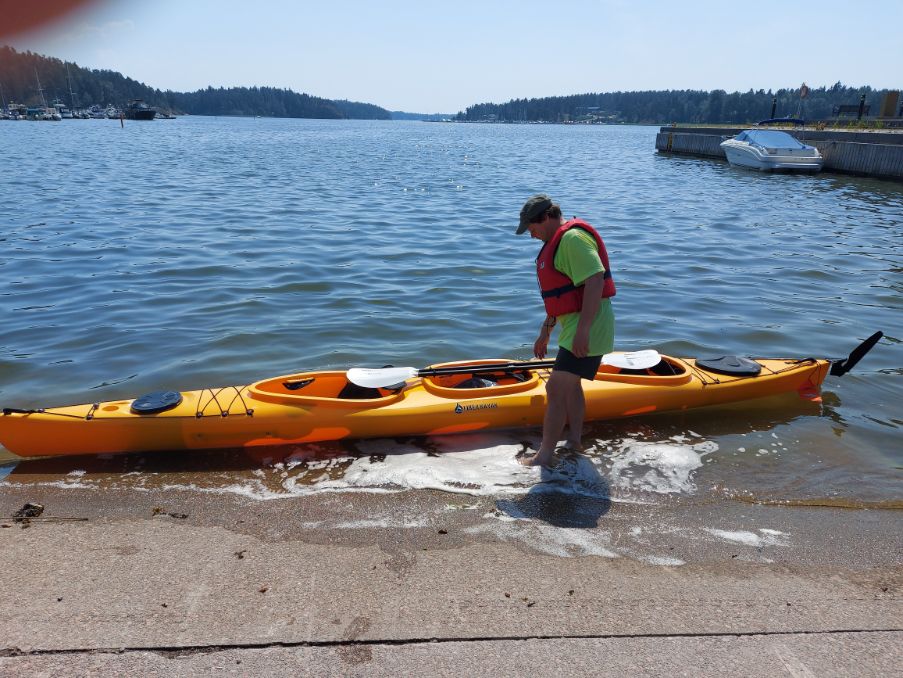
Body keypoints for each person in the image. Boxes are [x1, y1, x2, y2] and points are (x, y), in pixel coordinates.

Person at [515, 194, 616, 467]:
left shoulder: (572, 240)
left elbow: (595, 280)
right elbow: (562, 296)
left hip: (589, 326)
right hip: (578, 326)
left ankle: (545, 456)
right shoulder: (558, 243)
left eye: (532, 229)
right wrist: (545, 332)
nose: (531, 235)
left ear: (545, 218)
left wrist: (584, 330)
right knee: (570, 388)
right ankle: (574, 442)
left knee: (555, 388)